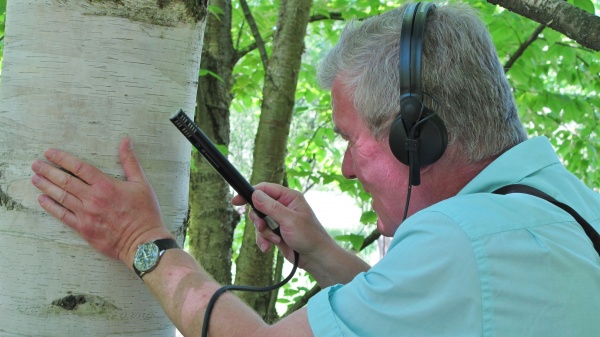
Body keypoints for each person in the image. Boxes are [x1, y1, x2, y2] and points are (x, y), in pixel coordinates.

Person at [30, 1, 600, 336]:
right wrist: (322, 254)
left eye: (351, 140)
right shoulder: (562, 205)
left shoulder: (461, 242)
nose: (348, 168)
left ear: (416, 137)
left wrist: (139, 240)